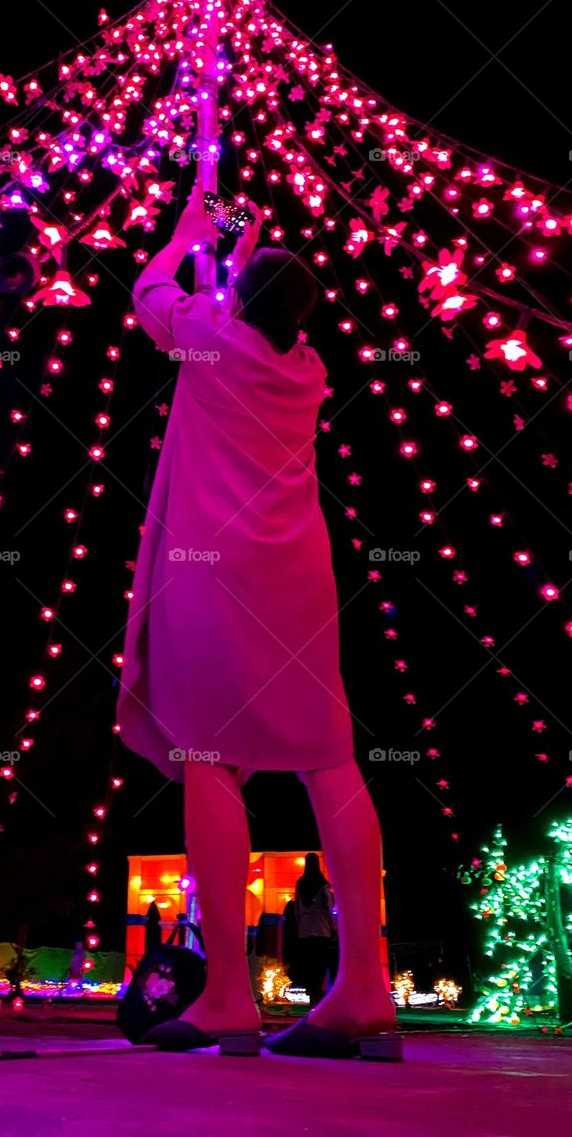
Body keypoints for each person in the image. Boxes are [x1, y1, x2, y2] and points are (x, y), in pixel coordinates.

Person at [117, 182, 397, 1058]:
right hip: (299, 578)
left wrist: (187, 233)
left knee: (211, 754)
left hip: (213, 574)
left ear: (237, 301)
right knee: (329, 757)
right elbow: (247, 314)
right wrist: (239, 265)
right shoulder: (304, 368)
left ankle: (230, 998)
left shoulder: (206, 340)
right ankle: (365, 989)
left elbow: (149, 294)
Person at [292, 854, 337, 1005]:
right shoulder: (323, 884)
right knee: (320, 963)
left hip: (305, 931)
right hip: (321, 929)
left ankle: (312, 994)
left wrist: (300, 927)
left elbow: (297, 908)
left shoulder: (300, 883)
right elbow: (329, 909)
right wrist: (333, 927)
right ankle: (319, 995)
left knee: (308, 963)